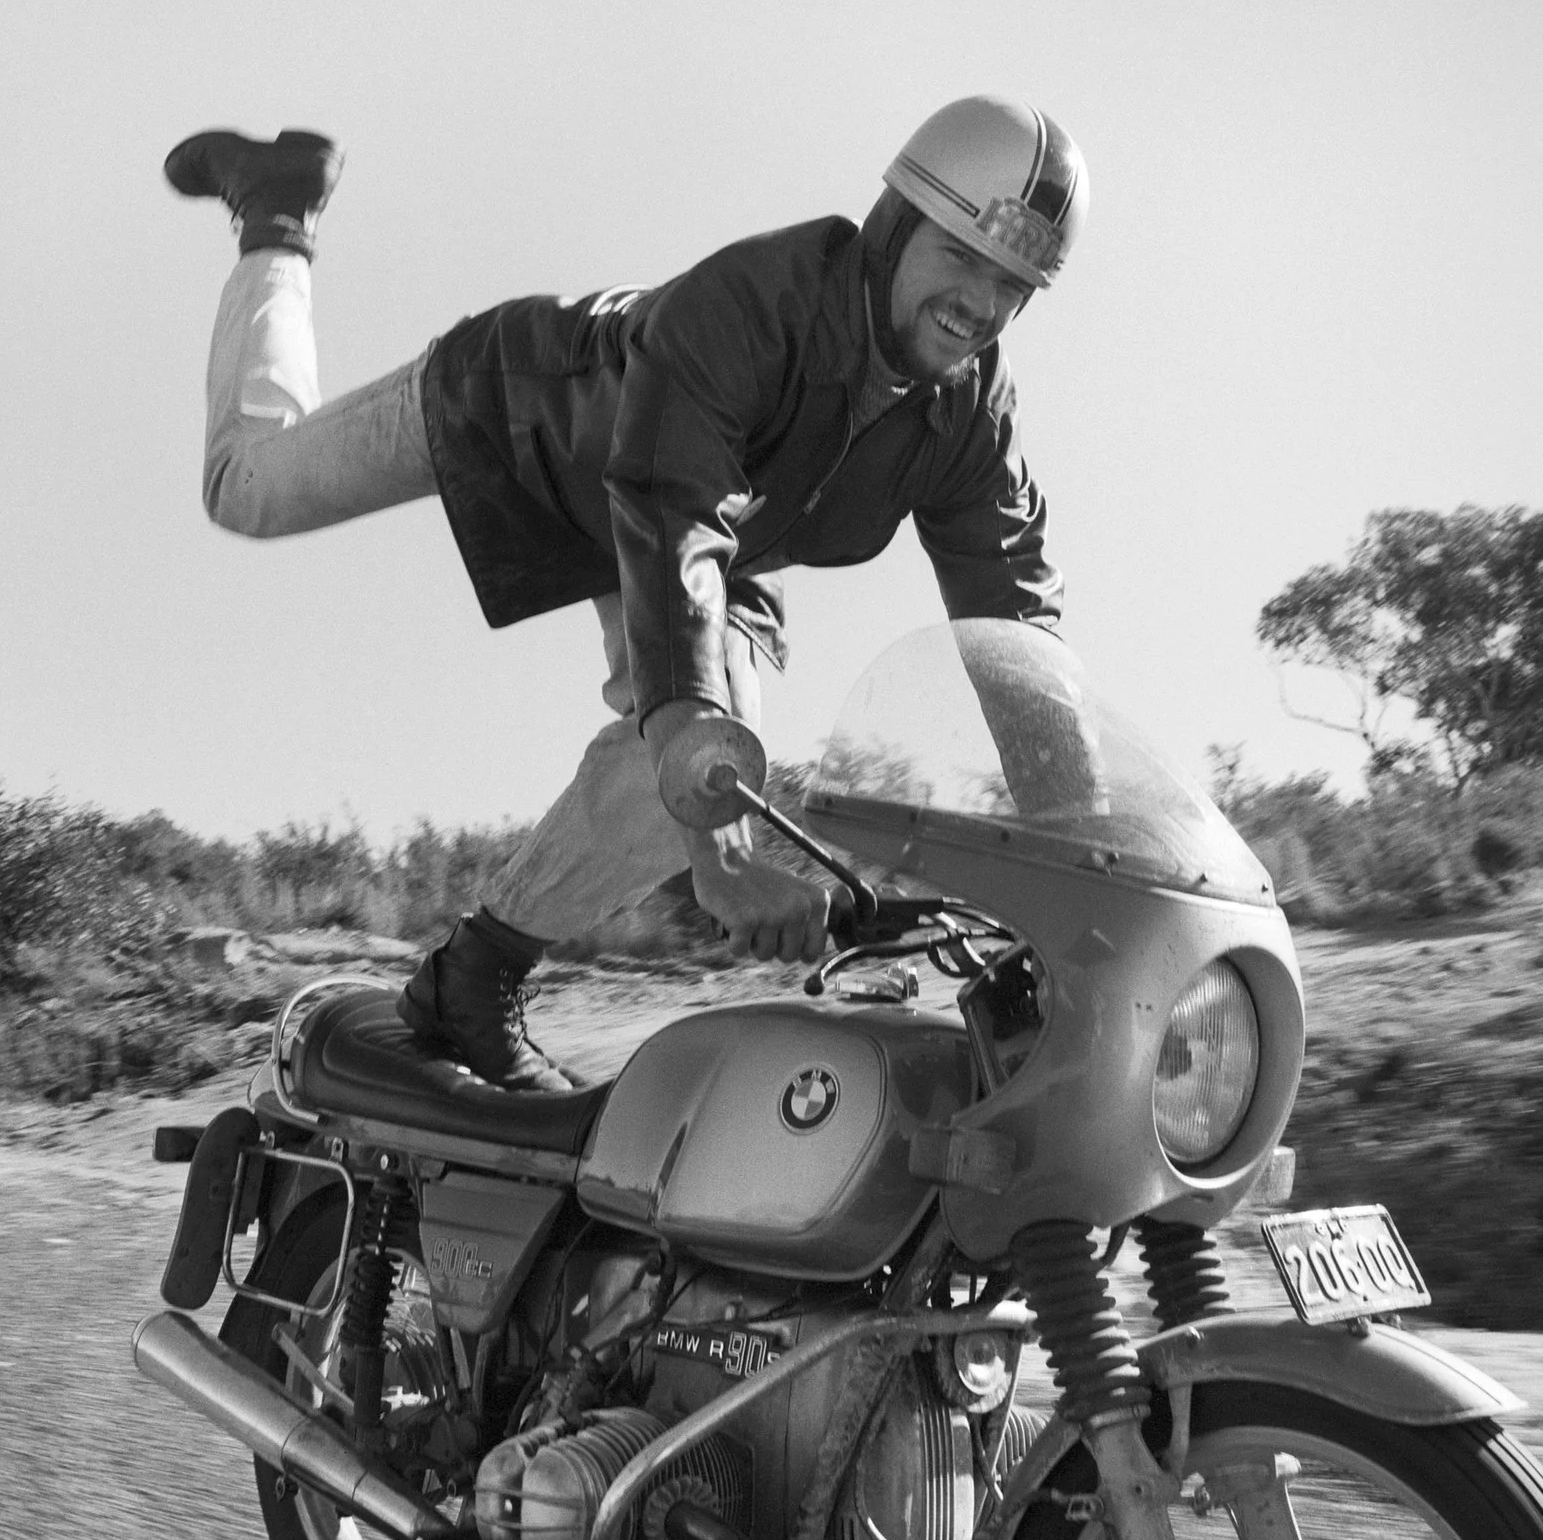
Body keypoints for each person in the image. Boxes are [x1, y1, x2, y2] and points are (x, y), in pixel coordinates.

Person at [167, 96, 1087, 1089]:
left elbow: (1017, 629)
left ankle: (472, 979)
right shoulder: (753, 303)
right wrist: (722, 859)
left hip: (713, 538)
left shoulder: (972, 413)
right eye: (959, 257)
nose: (980, 303)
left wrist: (1090, 858)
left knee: (707, 759)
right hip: (525, 422)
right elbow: (668, 515)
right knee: (246, 490)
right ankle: (278, 212)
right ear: (896, 225)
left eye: (1012, 286)